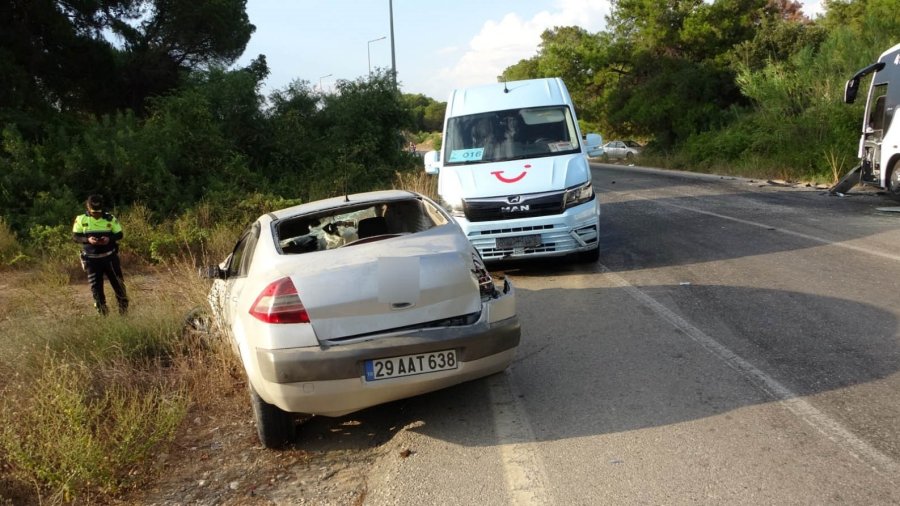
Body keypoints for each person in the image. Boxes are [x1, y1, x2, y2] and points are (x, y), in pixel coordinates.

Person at [72, 194, 129, 315]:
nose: (96, 214)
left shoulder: (110, 218)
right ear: (88, 207)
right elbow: (76, 237)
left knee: (119, 287)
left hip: (110, 258)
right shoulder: (81, 219)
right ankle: (103, 316)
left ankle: (124, 315)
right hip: (92, 261)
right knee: (97, 290)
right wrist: (88, 240)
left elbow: (119, 234)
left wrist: (109, 239)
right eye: (94, 212)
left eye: (98, 212)